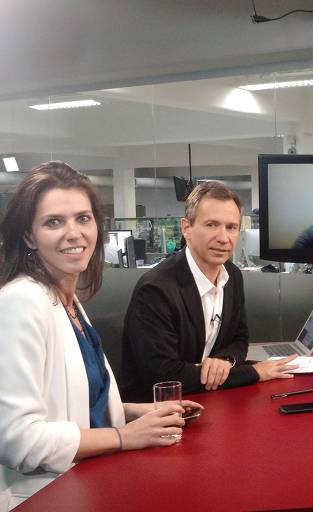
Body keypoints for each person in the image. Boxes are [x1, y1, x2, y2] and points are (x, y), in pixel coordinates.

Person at [0, 161, 199, 510]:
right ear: (29, 236)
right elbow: (18, 439)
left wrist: (141, 413)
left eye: (83, 218)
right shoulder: (21, 301)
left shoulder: (66, 299)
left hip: (92, 482)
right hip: (47, 496)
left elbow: (74, 405)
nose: (73, 233)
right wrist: (124, 436)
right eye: (53, 222)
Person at [120, 181, 298, 402]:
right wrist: (254, 373)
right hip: (157, 412)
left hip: (206, 397)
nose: (223, 238)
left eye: (231, 227)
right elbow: (165, 376)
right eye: (212, 225)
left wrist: (224, 361)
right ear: (187, 228)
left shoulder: (232, 275)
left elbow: (239, 339)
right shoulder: (156, 290)